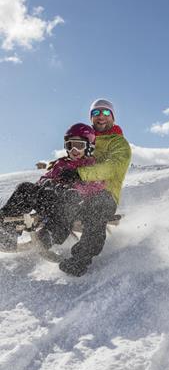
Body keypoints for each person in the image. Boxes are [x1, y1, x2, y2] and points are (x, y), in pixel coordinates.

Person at [0, 123, 104, 260]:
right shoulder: (61, 164)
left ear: (89, 147)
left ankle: (47, 237)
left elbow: (97, 186)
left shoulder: (93, 166)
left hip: (71, 206)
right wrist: (47, 183)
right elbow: (43, 179)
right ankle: (7, 231)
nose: (74, 149)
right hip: (49, 200)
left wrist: (76, 185)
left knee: (68, 204)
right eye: (69, 145)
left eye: (79, 145)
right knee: (26, 188)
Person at [57, 98, 132, 276]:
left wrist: (81, 174)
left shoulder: (119, 143)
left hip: (105, 194)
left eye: (106, 112)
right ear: (91, 118)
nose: (101, 116)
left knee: (96, 207)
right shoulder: (84, 140)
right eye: (96, 113)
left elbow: (112, 167)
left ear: (112, 116)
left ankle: (80, 259)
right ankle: (41, 234)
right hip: (77, 192)